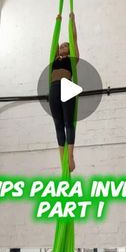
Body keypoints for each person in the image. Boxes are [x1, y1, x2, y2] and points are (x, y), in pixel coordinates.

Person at [49, 12, 79, 172]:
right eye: (61, 46)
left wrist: (71, 22)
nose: (61, 47)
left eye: (64, 46)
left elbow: (74, 39)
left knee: (68, 123)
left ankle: (71, 156)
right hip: (53, 88)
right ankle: (62, 158)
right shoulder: (54, 60)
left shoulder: (72, 59)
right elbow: (54, 42)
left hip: (67, 87)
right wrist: (57, 23)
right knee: (58, 124)